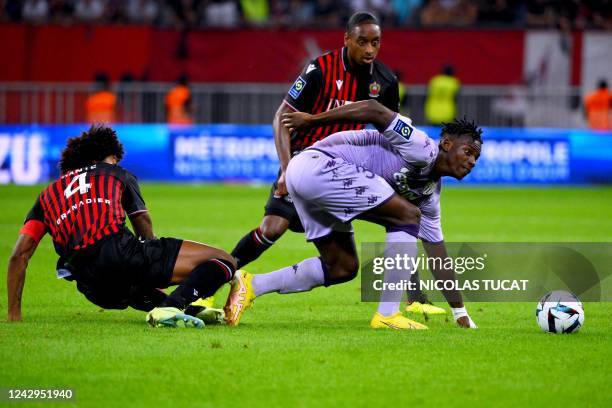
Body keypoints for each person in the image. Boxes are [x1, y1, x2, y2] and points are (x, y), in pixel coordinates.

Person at [224, 99, 482, 329]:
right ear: (447, 144)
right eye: (468, 152)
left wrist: (460, 312)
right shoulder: (422, 147)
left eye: (476, 158)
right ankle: (388, 314)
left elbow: (438, 254)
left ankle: (251, 285)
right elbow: (373, 109)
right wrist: (312, 120)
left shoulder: (429, 195)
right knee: (407, 216)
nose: (471, 161)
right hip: (318, 164)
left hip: (310, 180)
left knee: (342, 267)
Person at [7, 125, 236, 328]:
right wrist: (158, 264)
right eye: (115, 159)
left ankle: (187, 310)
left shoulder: (47, 195)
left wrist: (14, 314)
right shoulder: (116, 174)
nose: (117, 163)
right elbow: (143, 223)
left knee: (133, 285)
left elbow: (19, 255)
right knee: (224, 261)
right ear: (107, 156)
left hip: (91, 286)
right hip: (119, 254)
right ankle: (173, 305)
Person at [231, 11, 398, 270]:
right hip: (303, 161)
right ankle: (213, 282)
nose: (369, 50)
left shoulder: (385, 82)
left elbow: (390, 134)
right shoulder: (320, 70)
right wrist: (287, 171)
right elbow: (281, 118)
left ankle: (414, 297)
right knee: (272, 229)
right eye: (362, 42)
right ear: (347, 39)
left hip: (343, 171)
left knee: (351, 260)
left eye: (375, 42)